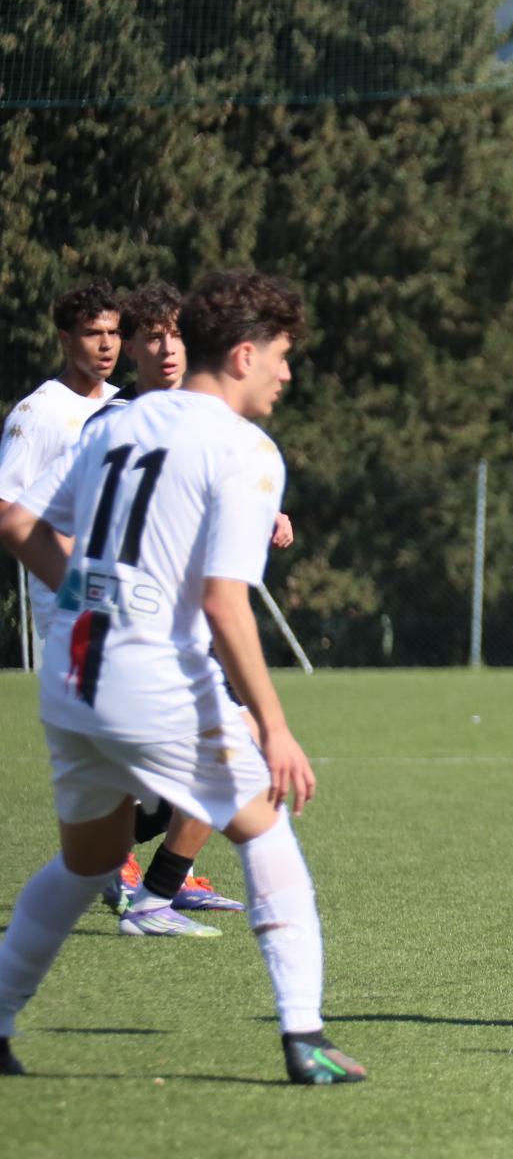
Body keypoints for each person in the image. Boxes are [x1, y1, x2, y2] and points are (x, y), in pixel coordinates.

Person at [0, 269, 365, 1085]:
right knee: (266, 829)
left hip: (73, 674)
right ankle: (304, 1037)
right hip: (152, 678)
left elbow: (18, 522)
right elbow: (225, 603)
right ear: (242, 355)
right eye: (281, 355)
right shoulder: (244, 449)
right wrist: (274, 726)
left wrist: (87, 596)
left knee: (87, 863)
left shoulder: (115, 422)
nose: (287, 373)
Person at [92, 284, 291, 934]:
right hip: (136, 638)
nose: (167, 348)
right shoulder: (116, 422)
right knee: (241, 759)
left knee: (214, 765)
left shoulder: (207, 425)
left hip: (173, 634)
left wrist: (261, 512)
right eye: (152, 336)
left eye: (176, 334)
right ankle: (148, 885)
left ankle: (139, 876)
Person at [0, 280, 123, 663]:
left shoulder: (125, 404)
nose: (107, 344)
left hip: (129, 597)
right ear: (66, 340)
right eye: (93, 333)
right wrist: (67, 565)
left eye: (114, 332)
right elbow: (5, 504)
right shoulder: (38, 412)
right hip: (68, 604)